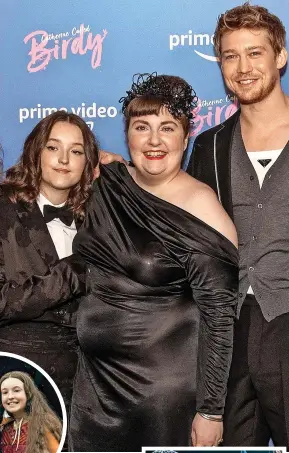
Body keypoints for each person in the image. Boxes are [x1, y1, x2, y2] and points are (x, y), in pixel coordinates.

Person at [186, 3, 289, 450]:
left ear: (280, 57)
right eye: (230, 56)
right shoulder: (209, 146)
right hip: (229, 335)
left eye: (255, 53)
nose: (242, 68)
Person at [69, 73, 238, 450]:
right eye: (141, 127)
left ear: (186, 136)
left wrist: (211, 410)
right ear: (127, 135)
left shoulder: (202, 208)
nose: (154, 140)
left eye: (168, 128)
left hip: (160, 398)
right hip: (92, 389)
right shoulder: (108, 182)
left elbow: (220, 318)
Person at [0, 111, 99, 414]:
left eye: (76, 151)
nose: (64, 159)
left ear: (87, 164)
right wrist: (75, 271)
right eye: (53, 147)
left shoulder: (98, 220)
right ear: (36, 151)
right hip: (18, 371)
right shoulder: (4, 208)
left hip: (86, 382)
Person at [0, 370, 62, 453]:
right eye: (5, 392)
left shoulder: (44, 422)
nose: (10, 396)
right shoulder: (5, 427)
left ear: (28, 393)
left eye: (16, 390)